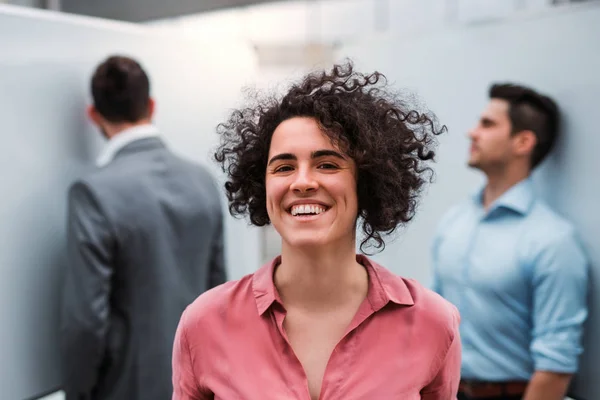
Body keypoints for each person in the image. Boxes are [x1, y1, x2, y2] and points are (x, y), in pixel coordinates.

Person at [172, 62, 461, 400]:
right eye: (284, 167)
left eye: (327, 164)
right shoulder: (204, 324)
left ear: (365, 181)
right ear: (262, 185)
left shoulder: (432, 323)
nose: (303, 182)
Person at [60, 55, 227, 400]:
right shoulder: (201, 181)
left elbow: (86, 321)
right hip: (198, 383)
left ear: (93, 115)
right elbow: (217, 296)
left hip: (126, 388)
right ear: (151, 105)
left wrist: (78, 392)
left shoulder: (94, 193)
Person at [431, 83, 589, 400]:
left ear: (523, 142)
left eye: (487, 124)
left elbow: (556, 364)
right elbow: (432, 322)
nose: (471, 133)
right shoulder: (454, 222)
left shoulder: (553, 241)